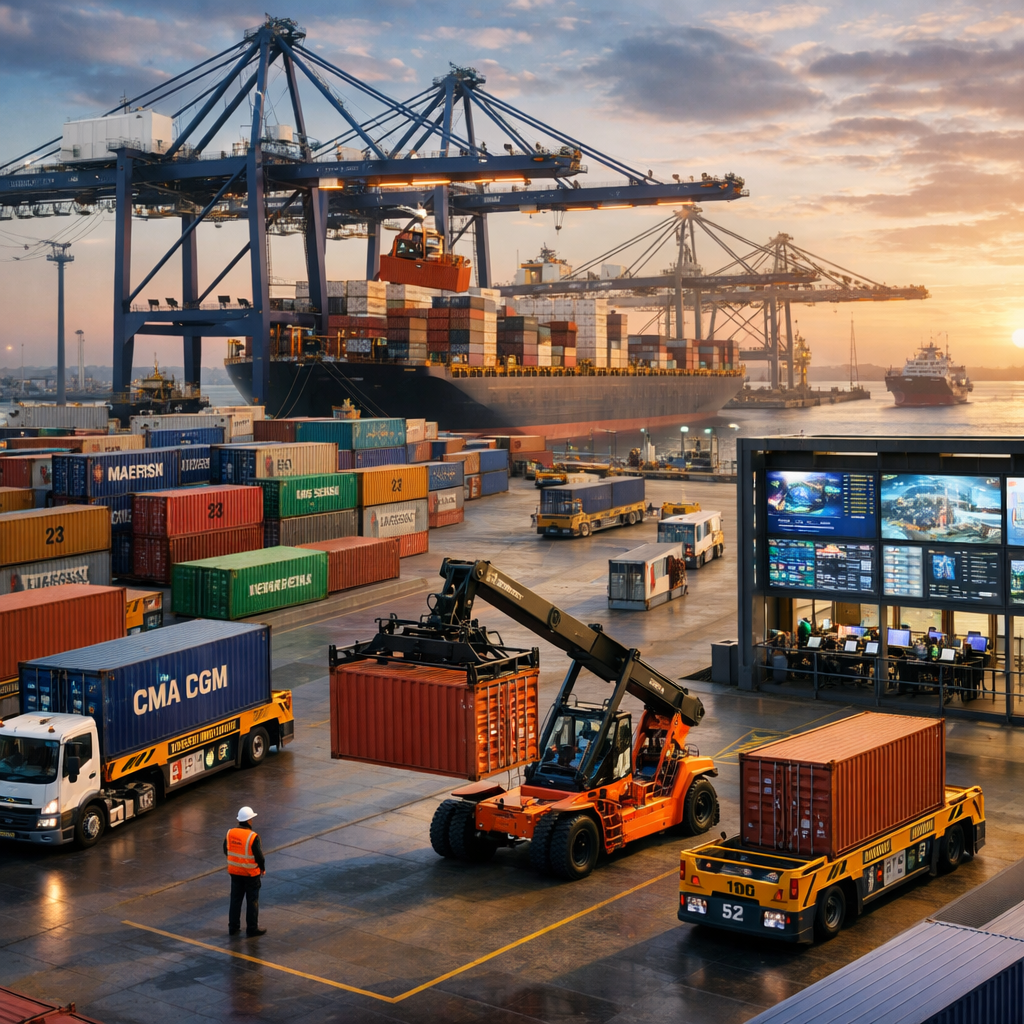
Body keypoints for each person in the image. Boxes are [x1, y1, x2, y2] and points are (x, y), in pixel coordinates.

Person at [224, 806, 266, 937]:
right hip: (250, 875)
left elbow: (226, 850)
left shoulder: (230, 833)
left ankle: (233, 927)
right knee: (252, 901)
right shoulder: (252, 836)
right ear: (248, 821)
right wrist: (262, 868)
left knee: (235, 900)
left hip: (235, 873)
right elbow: (259, 856)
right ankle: (252, 928)